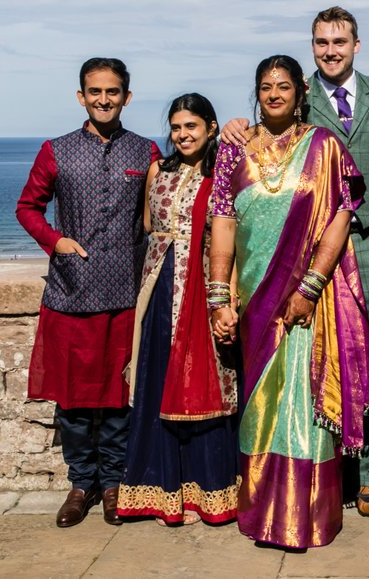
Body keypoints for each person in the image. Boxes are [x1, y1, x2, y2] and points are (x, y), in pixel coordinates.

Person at [219, 7, 369, 517]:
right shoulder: (297, 102)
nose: (331, 49)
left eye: (339, 41)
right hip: (311, 251)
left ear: (356, 44)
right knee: (319, 358)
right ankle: (328, 473)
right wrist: (235, 125)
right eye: (321, 42)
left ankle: (367, 475)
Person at [16, 58, 159, 527]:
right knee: (74, 402)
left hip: (125, 295)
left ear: (126, 97)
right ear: (81, 96)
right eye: (94, 92)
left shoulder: (146, 153)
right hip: (70, 294)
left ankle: (116, 484)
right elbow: (27, 207)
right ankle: (81, 485)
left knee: (120, 398)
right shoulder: (55, 150)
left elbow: (161, 213)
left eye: (112, 92)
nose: (103, 100)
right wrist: (54, 240)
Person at [116, 93, 240, 526]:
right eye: (176, 127)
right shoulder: (159, 170)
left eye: (191, 126)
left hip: (204, 285)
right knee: (158, 380)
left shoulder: (226, 172)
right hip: (160, 282)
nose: (183, 135)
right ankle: (163, 491)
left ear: (210, 127)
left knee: (201, 379)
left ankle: (209, 493)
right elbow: (150, 226)